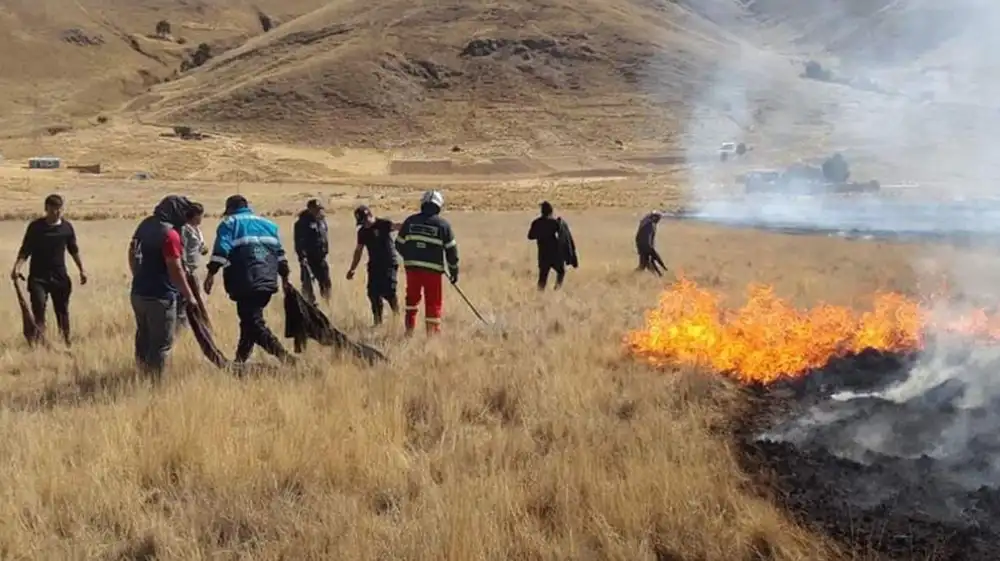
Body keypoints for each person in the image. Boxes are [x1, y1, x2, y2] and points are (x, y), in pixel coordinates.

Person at [203, 195, 296, 365]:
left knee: (254, 324)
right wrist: (285, 278)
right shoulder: (269, 225)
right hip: (268, 279)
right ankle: (239, 362)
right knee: (249, 322)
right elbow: (280, 255)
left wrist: (210, 274)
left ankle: (286, 358)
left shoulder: (230, 223)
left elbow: (221, 250)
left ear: (230, 209)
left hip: (244, 280)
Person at [128, 195, 196, 380]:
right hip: (161, 296)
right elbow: (175, 268)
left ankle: (141, 375)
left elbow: (132, 252)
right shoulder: (170, 234)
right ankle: (156, 383)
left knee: (143, 337)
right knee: (161, 344)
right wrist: (189, 295)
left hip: (138, 293)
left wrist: (138, 275)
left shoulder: (145, 225)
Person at [10, 194, 87, 346]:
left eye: (59, 210)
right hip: (38, 277)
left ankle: (65, 341)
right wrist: (17, 267)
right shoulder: (36, 227)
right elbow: (25, 250)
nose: (56, 213)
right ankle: (39, 342)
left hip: (59, 277)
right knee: (38, 307)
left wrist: (82, 270)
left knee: (62, 310)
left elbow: (73, 250)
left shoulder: (66, 228)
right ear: (46, 209)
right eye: (53, 210)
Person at [394, 190, 459, 335]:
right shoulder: (443, 226)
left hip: (413, 270)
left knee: (411, 301)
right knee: (433, 303)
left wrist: (410, 257)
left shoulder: (410, 221)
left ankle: (409, 331)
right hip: (433, 272)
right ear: (438, 206)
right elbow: (451, 252)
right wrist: (454, 271)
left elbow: (398, 244)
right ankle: (432, 336)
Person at [347, 205, 401, 326]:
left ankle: (397, 316)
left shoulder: (383, 224)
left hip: (389, 263)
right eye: (361, 222)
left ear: (370, 216)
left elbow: (398, 227)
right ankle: (378, 321)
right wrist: (352, 269)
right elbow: (358, 251)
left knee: (389, 291)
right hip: (374, 265)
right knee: (373, 293)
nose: (364, 224)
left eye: (365, 221)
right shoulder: (362, 232)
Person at [176, 202, 209, 331]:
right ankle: (185, 327)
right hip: (187, 269)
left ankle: (202, 325)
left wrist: (203, 248)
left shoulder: (197, 230)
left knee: (198, 299)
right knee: (189, 299)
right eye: (200, 215)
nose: (201, 218)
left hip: (195, 269)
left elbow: (199, 246)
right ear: (195, 215)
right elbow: (181, 248)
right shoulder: (184, 229)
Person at [293, 198, 331, 304]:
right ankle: (310, 304)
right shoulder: (302, 223)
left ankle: (327, 303)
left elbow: (324, 237)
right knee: (308, 283)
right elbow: (299, 242)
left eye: (320, 209)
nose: (319, 211)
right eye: (316, 209)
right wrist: (302, 257)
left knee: (326, 282)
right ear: (310, 209)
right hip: (308, 258)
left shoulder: (322, 221)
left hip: (321, 258)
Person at [527, 201, 567, 290]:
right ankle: (557, 289)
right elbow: (562, 236)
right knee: (561, 271)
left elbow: (530, 236)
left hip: (542, 253)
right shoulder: (554, 222)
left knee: (543, 277)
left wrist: (540, 235)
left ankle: (540, 295)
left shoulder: (536, 223)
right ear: (550, 211)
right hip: (554, 253)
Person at [635, 210, 667, 276]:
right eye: (658, 218)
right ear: (654, 217)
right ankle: (659, 275)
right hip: (645, 246)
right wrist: (664, 267)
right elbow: (648, 243)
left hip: (642, 245)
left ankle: (658, 275)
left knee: (643, 265)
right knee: (645, 264)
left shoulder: (647, 222)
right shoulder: (649, 225)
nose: (659, 220)